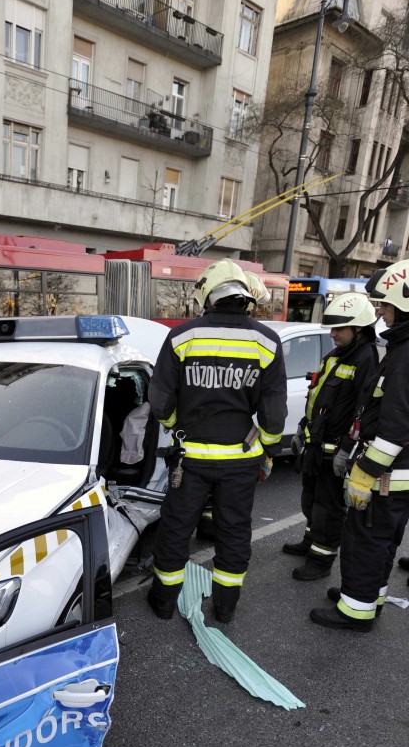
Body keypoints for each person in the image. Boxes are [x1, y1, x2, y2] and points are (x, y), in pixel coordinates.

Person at [147, 259, 287, 623]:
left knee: (177, 528)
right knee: (234, 530)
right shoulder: (266, 340)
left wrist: (178, 427)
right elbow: (273, 412)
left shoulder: (182, 336)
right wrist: (268, 446)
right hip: (241, 459)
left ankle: (163, 602)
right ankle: (225, 607)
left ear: (208, 296)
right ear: (243, 296)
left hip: (190, 458)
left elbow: (160, 400)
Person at [310, 259, 409, 630]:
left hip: (387, 476)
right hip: (397, 477)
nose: (380, 313)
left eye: (384, 305)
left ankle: (355, 611)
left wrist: (365, 472)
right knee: (382, 543)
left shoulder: (404, 356)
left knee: (366, 541)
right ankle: (369, 597)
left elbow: (396, 426)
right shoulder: (400, 350)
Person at [282, 292, 378, 581]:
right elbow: (318, 396)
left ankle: (320, 562)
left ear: (358, 329)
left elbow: (364, 411)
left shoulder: (365, 359)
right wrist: (302, 426)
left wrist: (347, 449)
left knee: (329, 509)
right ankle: (311, 542)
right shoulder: (336, 355)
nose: (333, 334)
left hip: (335, 449)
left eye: (340, 329)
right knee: (311, 500)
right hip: (315, 445)